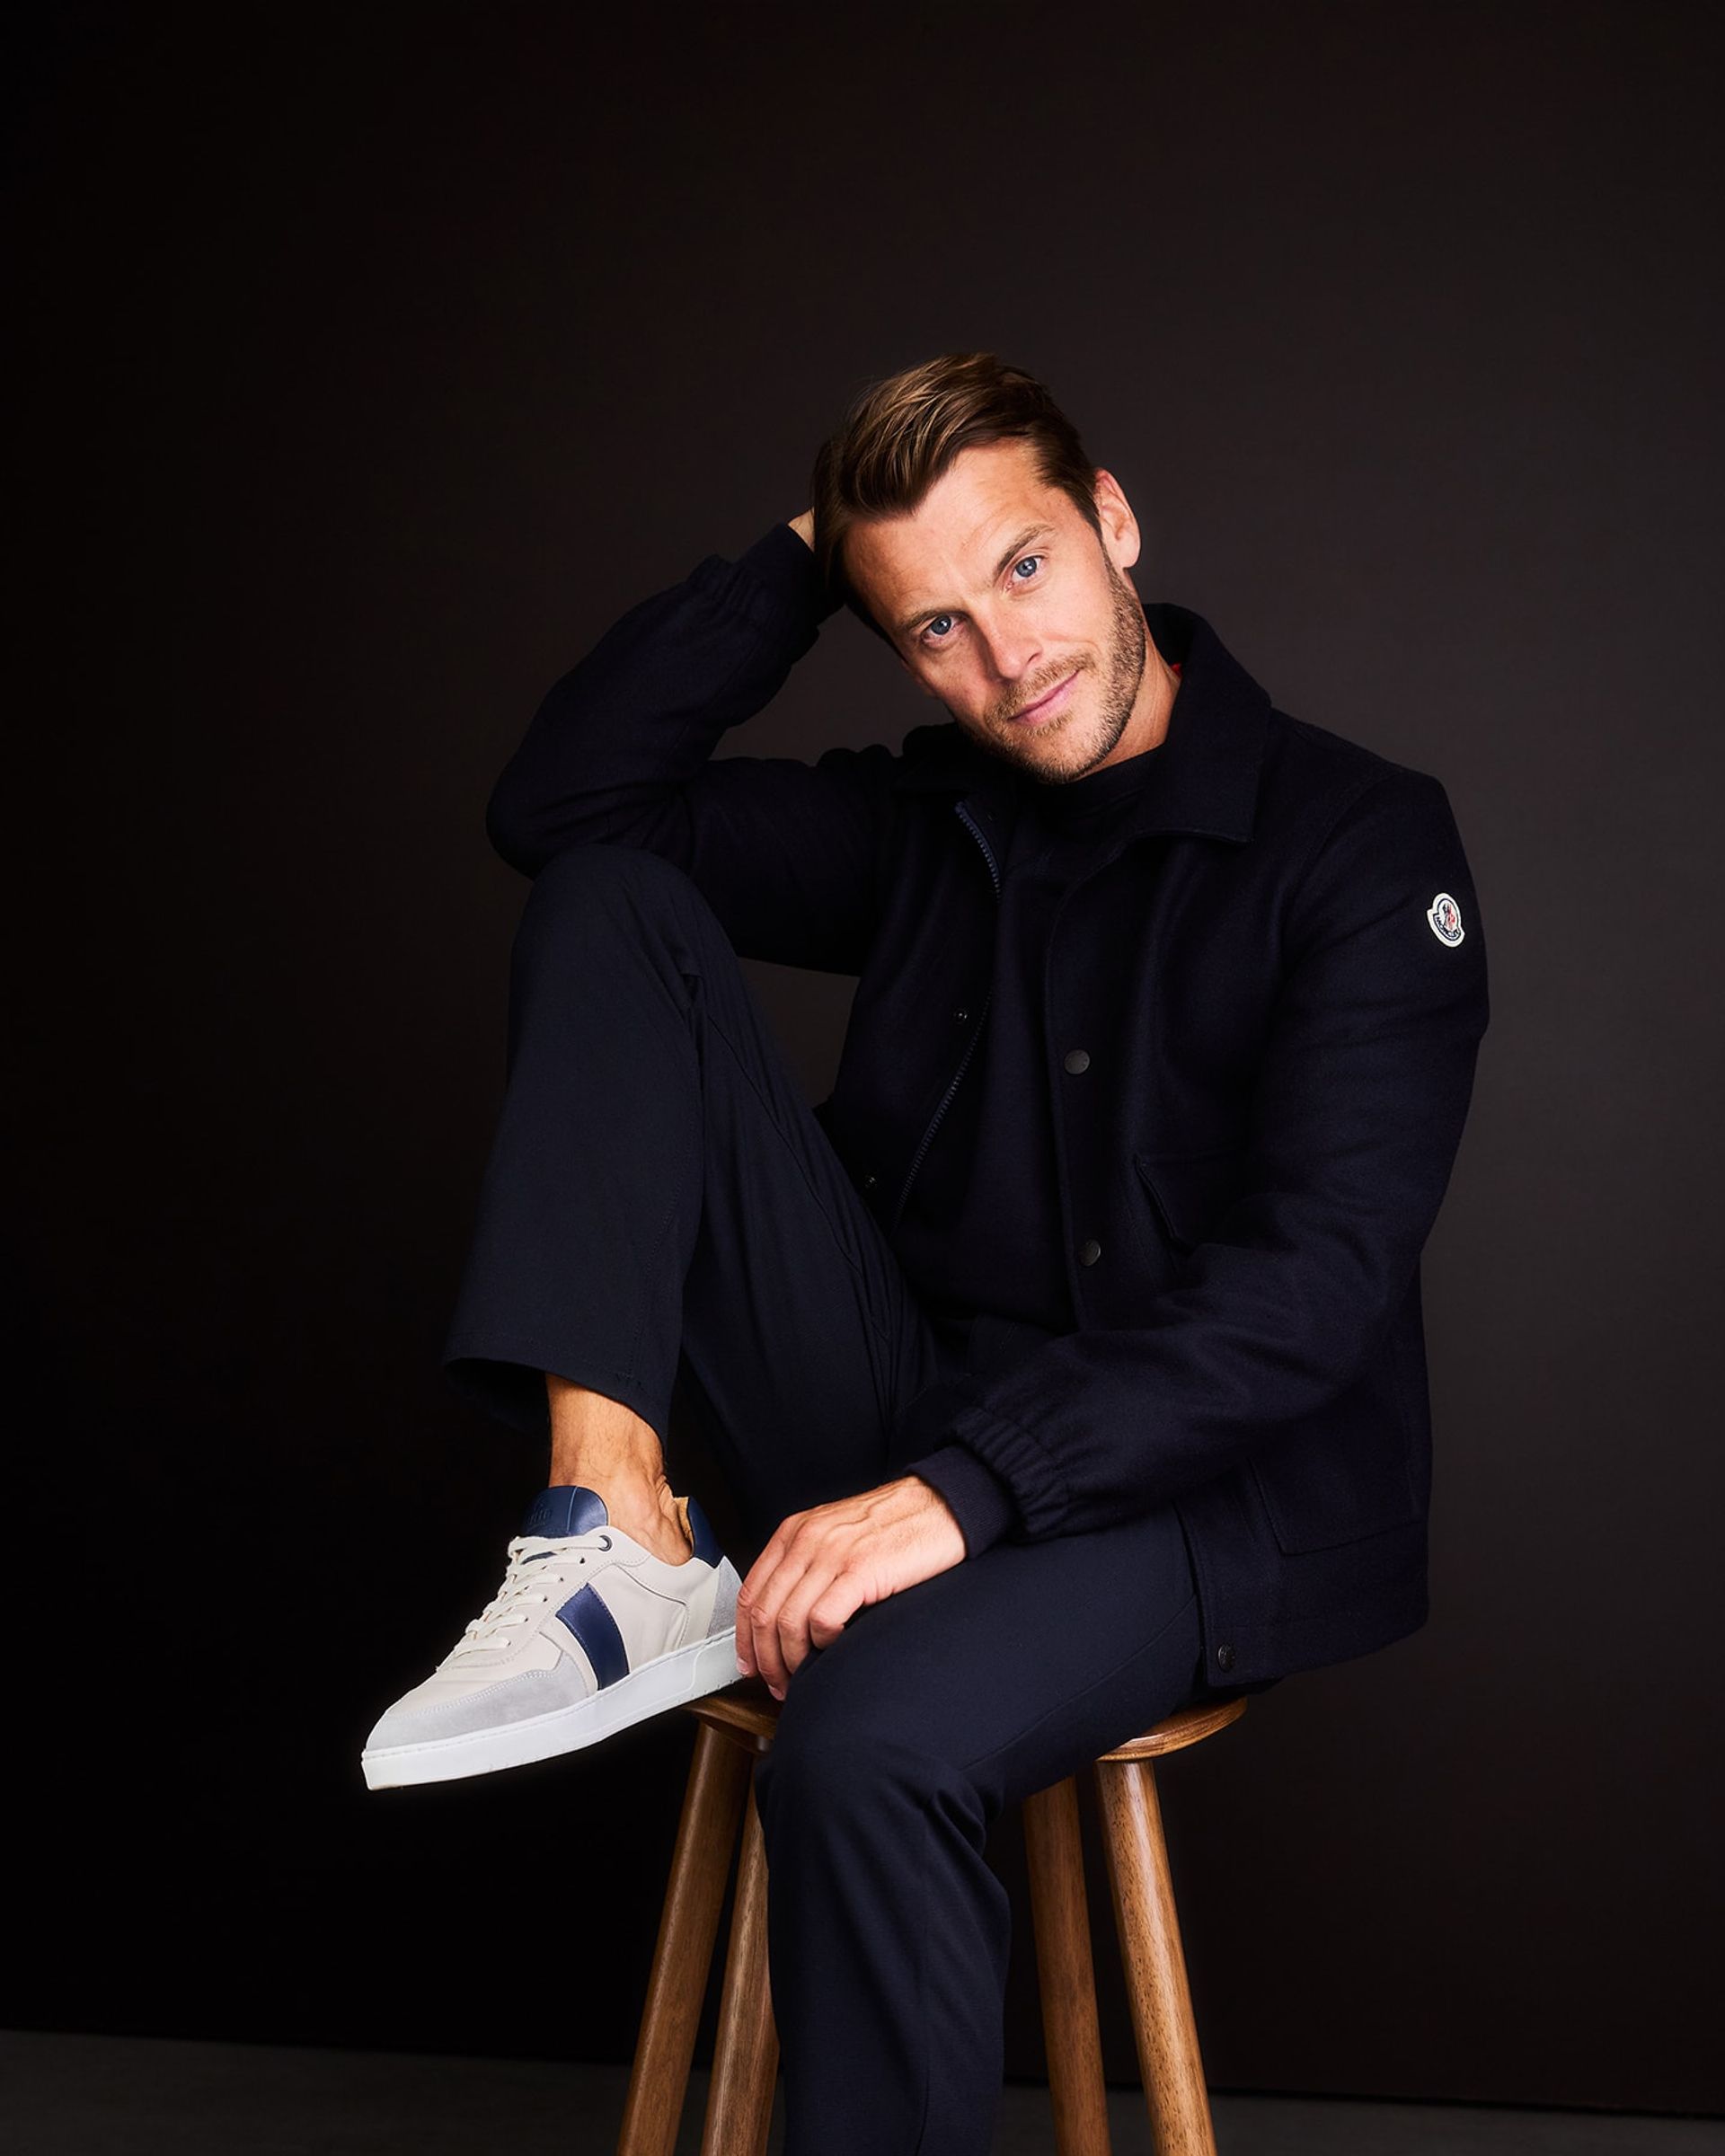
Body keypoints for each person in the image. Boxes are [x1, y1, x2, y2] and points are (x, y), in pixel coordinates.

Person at [360, 351, 1491, 2156]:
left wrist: (966, 1494)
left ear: (1113, 520)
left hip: (1191, 1495)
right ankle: (612, 1530)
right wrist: (814, 552)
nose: (1005, 657)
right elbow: (565, 811)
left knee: (866, 1747)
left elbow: (1314, 1290)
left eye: (1024, 567)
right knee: (609, 903)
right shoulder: (926, 817)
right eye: (936, 627)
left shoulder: (1356, 840)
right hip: (895, 1417)